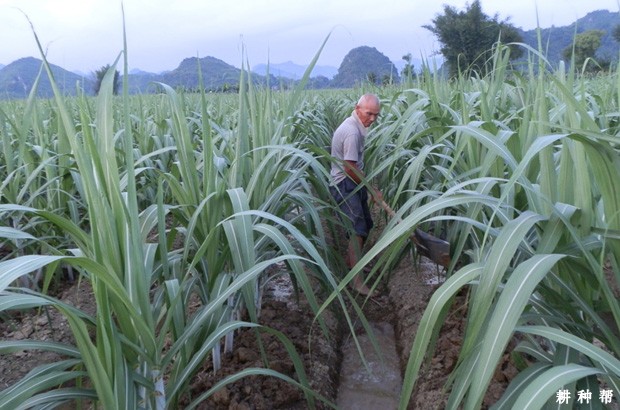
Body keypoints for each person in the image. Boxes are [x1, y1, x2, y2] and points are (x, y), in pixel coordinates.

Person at [329, 93, 383, 296]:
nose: (372, 119)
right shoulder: (352, 132)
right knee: (357, 230)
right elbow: (350, 168)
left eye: (376, 115)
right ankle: (356, 282)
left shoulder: (355, 126)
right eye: (369, 114)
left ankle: (353, 265)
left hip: (353, 183)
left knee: (365, 225)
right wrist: (372, 189)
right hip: (345, 184)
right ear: (357, 108)